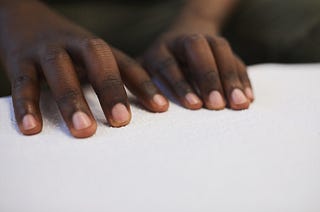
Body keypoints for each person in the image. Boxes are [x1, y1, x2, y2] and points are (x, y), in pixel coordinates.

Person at [0, 0, 318, 138]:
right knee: (26, 76)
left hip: (175, 8)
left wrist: (201, 17)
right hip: (40, 14)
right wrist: (13, 13)